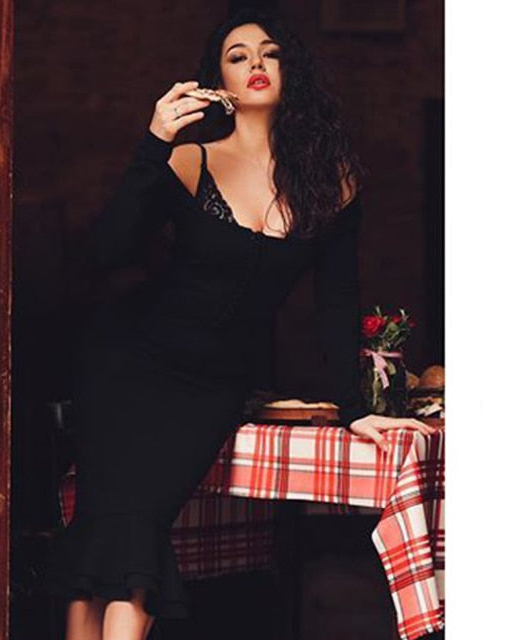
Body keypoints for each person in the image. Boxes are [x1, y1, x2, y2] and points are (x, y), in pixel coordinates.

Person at [40, 8, 435, 640]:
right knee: (108, 535)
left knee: (133, 530)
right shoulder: (188, 161)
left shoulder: (332, 184)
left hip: (210, 388)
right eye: (237, 55)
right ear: (217, 81)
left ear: (290, 70)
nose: (255, 63)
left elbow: (337, 302)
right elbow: (109, 253)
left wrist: (355, 408)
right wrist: (154, 143)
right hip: (126, 366)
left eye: (269, 53)